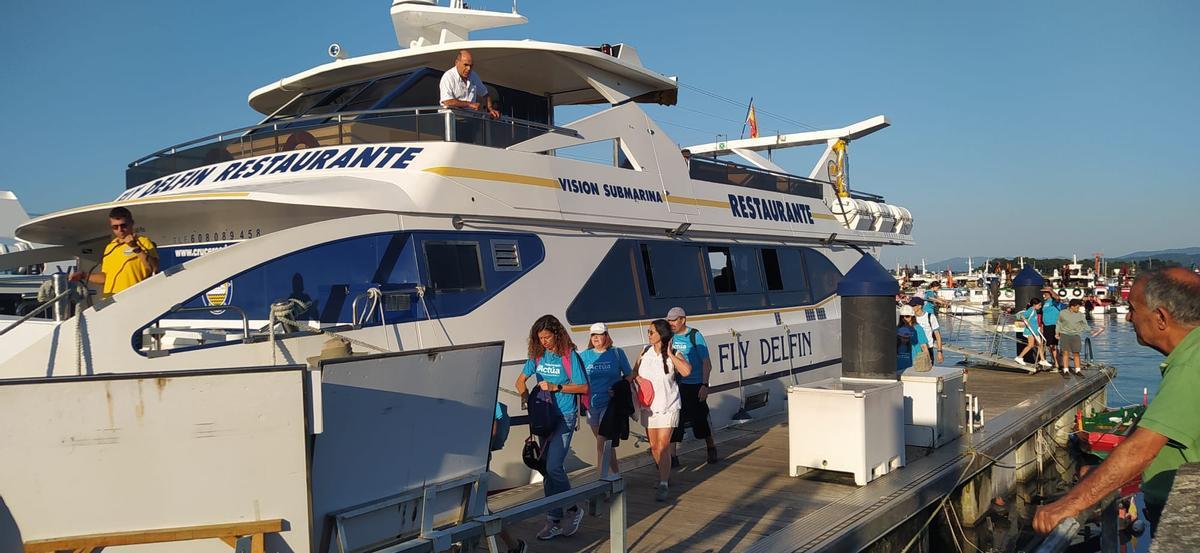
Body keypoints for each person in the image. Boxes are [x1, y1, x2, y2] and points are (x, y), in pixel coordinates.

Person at [1034, 268, 1200, 536]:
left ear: (1160, 317)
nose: (1129, 317)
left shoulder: (1193, 364)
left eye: (1133, 308)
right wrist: (1104, 471)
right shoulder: (1191, 355)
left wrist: (1070, 504)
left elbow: (1142, 448)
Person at [514, 315, 588, 541]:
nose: (544, 342)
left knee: (554, 466)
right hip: (543, 418)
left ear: (557, 333)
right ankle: (553, 519)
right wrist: (527, 398)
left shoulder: (569, 356)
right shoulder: (537, 356)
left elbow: (583, 386)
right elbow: (519, 381)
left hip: (564, 417)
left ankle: (573, 508)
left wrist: (557, 387)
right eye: (540, 338)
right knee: (546, 469)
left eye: (547, 337)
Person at [634, 319, 692, 502]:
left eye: (652, 332)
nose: (649, 334)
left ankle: (664, 483)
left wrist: (670, 354)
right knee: (653, 446)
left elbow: (686, 371)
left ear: (661, 334)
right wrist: (637, 380)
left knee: (663, 444)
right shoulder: (644, 352)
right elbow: (634, 372)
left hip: (669, 405)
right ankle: (663, 475)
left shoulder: (675, 353)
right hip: (648, 406)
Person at [666, 307, 719, 466]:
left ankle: (711, 447)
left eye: (674, 320)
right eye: (669, 320)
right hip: (679, 385)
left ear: (683, 319)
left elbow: (706, 363)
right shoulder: (670, 338)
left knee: (701, 419)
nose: (671, 323)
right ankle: (673, 457)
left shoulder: (695, 336)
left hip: (695, 384)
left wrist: (704, 385)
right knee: (676, 420)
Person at [69, 207, 159, 298]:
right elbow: (105, 278)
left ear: (131, 223)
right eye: (115, 227)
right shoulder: (110, 247)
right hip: (110, 300)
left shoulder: (143, 242)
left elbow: (154, 268)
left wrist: (135, 247)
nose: (120, 230)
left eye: (123, 225)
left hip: (132, 298)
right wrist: (84, 275)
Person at [579, 322, 633, 476]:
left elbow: (629, 375)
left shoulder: (617, 353)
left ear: (606, 336)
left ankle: (601, 480)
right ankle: (615, 475)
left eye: (599, 334)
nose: (596, 338)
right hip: (592, 405)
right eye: (593, 335)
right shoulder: (584, 356)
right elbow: (578, 378)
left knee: (602, 441)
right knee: (606, 444)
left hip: (610, 405)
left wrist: (619, 388)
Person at [439, 50, 500, 119]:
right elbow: (447, 101)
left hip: (468, 120)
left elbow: (485, 94)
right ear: (456, 63)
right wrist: (469, 104)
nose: (468, 69)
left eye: (471, 66)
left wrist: (491, 109)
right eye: (466, 65)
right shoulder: (448, 76)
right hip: (450, 120)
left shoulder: (473, 76)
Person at [1055, 299, 1102, 375]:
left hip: (1076, 335)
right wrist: (1057, 333)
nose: (1078, 309)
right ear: (1071, 307)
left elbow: (1085, 325)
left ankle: (1077, 370)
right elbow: (1058, 323)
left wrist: (1091, 330)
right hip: (1064, 334)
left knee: (1076, 353)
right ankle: (1066, 370)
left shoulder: (1080, 315)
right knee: (1065, 353)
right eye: (1077, 307)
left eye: (1079, 307)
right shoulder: (1062, 313)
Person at [1014, 298, 1052, 368]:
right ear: (1034, 305)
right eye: (1039, 305)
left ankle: (1042, 360)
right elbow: (1021, 315)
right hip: (1030, 331)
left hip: (1035, 331)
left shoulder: (1034, 311)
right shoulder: (1031, 310)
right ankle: (1019, 357)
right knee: (1030, 345)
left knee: (1040, 344)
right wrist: (1025, 320)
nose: (1040, 306)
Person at [897, 305, 931, 372]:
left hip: (915, 363)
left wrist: (928, 361)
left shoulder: (918, 329)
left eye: (907, 316)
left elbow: (924, 346)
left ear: (912, 316)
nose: (904, 318)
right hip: (899, 363)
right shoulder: (897, 329)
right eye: (902, 317)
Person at [1040, 288, 1067, 368]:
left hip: (1053, 325)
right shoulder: (1046, 303)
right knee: (1050, 346)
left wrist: (1050, 290)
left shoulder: (1054, 301)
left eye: (1045, 293)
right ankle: (1057, 362)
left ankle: (1058, 364)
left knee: (1053, 345)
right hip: (1046, 326)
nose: (1043, 294)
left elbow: (1058, 298)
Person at [920, 283, 947, 363]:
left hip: (931, 309)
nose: (938, 289)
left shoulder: (934, 293)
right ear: (933, 287)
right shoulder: (929, 292)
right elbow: (929, 298)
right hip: (928, 309)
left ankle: (933, 337)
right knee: (930, 324)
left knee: (933, 325)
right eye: (937, 287)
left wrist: (943, 301)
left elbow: (936, 297)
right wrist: (938, 301)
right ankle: (933, 337)